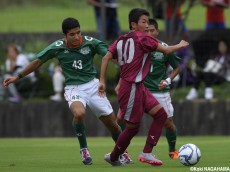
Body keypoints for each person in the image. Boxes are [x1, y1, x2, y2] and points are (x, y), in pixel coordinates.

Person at [3, 17, 132, 165]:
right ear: (65, 36)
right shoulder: (57, 47)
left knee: (113, 125)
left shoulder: (90, 42)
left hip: (93, 86)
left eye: (78, 33)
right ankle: (84, 149)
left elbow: (110, 55)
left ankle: (122, 152)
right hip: (73, 88)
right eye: (72, 34)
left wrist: (123, 66)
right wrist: (17, 77)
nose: (77, 37)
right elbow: (37, 62)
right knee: (79, 113)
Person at [98, 8, 189, 166]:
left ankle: (147, 153)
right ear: (133, 24)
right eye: (143, 22)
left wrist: (102, 81)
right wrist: (180, 45)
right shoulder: (144, 39)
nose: (147, 26)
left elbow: (106, 57)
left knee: (161, 115)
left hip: (139, 87)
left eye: (148, 22)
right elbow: (167, 50)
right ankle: (113, 157)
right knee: (133, 128)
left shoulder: (121, 39)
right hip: (131, 87)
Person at [144, 18, 180, 159]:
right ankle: (122, 151)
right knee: (124, 119)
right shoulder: (138, 46)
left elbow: (177, 67)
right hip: (141, 90)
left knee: (168, 123)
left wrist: (168, 80)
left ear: (157, 32)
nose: (149, 33)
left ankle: (172, 150)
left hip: (159, 91)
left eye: (152, 30)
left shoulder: (165, 48)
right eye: (146, 30)